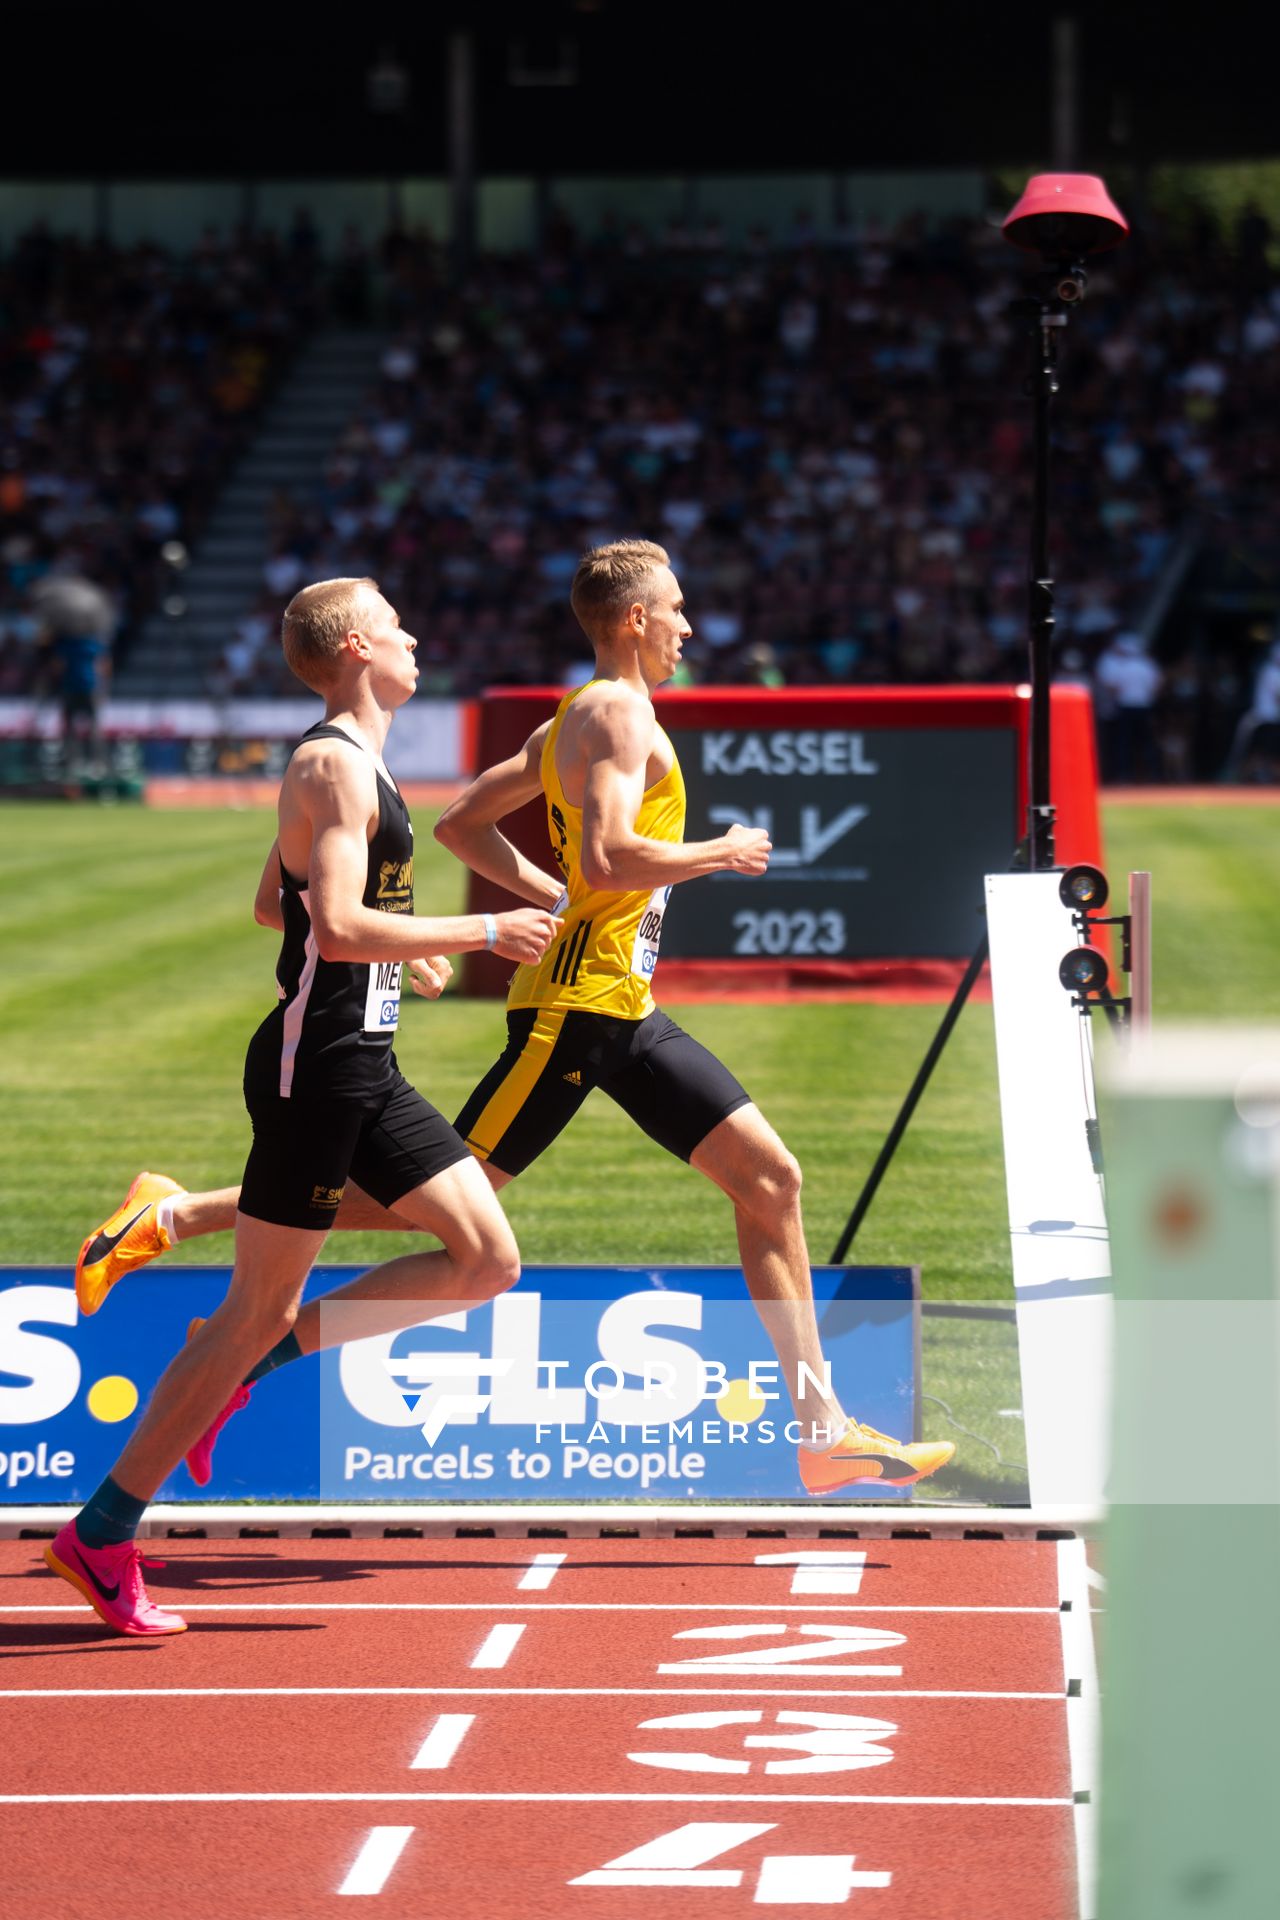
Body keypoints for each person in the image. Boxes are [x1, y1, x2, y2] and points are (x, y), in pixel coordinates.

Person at [75, 542, 953, 1520]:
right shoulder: (612, 713)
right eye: (674, 611)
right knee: (453, 1217)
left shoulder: (573, 720)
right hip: (572, 1016)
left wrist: (548, 889)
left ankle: (820, 1433)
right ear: (631, 620)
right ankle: (202, 1263)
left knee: (770, 1180)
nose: (686, 629)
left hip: (624, 1007)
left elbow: (459, 825)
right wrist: (716, 851)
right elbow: (614, 855)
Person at [48, 576, 559, 1637]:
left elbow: (271, 902)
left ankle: (208, 1288)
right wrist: (469, 936)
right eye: (402, 625)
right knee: (256, 1308)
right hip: (315, 1068)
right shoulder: (332, 762)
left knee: (485, 1259)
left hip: (363, 1060)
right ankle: (102, 1531)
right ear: (361, 645)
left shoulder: (357, 768)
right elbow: (328, 922)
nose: (417, 637)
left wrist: (391, 959)